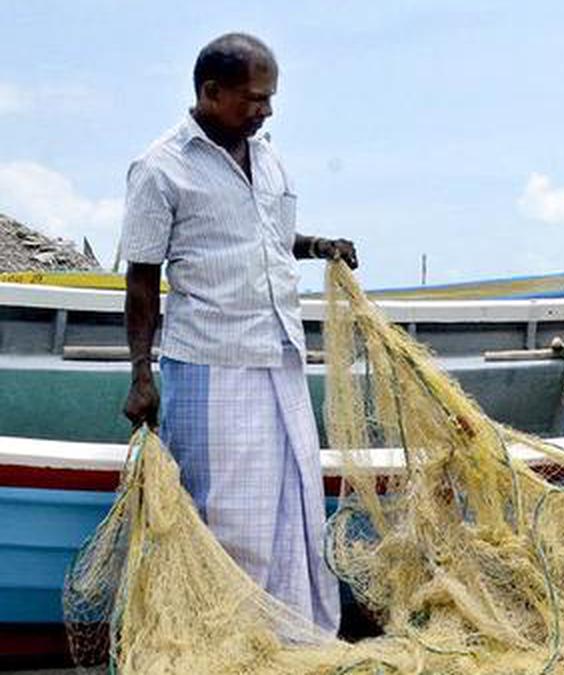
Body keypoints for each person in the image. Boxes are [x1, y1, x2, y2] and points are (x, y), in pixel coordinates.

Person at [120, 32, 357, 632]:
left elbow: (273, 239)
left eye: (270, 98)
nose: (266, 110)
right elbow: (143, 281)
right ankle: (225, 635)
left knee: (293, 499)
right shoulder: (160, 168)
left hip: (278, 351)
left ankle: (287, 632)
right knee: (228, 513)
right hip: (211, 361)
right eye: (254, 99)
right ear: (211, 92)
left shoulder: (270, 156)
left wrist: (318, 245)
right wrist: (142, 377)